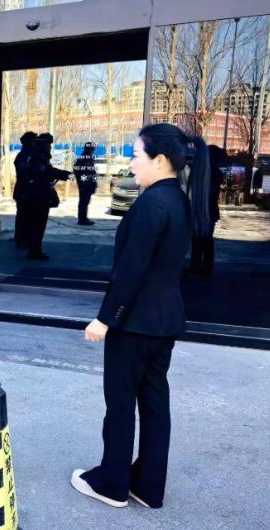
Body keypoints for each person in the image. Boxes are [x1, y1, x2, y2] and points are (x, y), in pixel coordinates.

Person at [73, 123, 210, 509]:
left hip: (134, 323)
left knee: (120, 405)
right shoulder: (178, 199)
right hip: (163, 322)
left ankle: (112, 484)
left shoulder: (152, 203)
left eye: (135, 155)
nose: (131, 163)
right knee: (154, 405)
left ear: (160, 160)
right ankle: (148, 487)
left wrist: (105, 319)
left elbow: (132, 269)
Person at [25, 133, 71, 260]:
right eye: (49, 145)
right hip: (38, 197)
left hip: (40, 195)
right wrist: (66, 175)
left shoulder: (40, 158)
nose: (50, 148)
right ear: (43, 145)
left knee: (38, 225)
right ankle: (35, 251)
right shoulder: (37, 159)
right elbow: (47, 172)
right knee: (38, 225)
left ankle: (35, 250)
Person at [187, 145, 224, 277]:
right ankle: (196, 267)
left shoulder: (214, 173)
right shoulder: (207, 171)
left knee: (205, 239)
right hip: (201, 210)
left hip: (208, 211)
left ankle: (204, 269)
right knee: (197, 239)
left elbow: (209, 192)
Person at [13, 131, 38, 249]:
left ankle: (22, 238)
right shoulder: (23, 156)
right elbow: (25, 174)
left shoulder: (28, 155)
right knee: (23, 216)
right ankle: (21, 239)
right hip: (24, 191)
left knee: (25, 216)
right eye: (34, 141)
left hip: (26, 191)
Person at [73, 142, 98, 226]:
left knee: (85, 201)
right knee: (84, 201)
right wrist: (83, 183)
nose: (93, 151)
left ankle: (83, 218)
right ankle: (82, 219)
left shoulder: (87, 158)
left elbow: (92, 172)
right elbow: (80, 172)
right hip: (85, 184)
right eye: (92, 149)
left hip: (88, 183)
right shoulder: (84, 159)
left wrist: (94, 183)